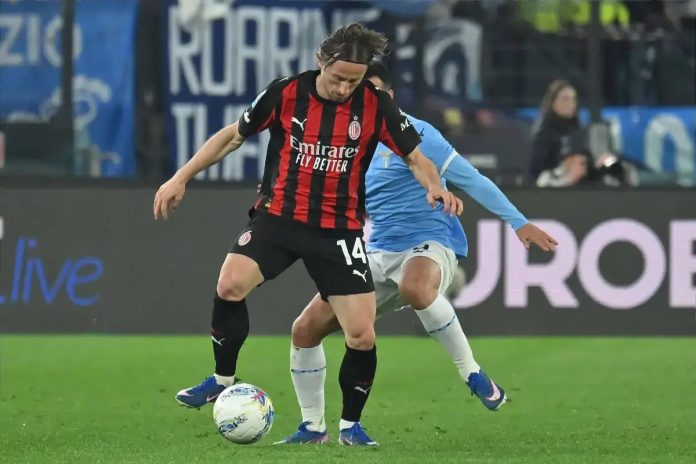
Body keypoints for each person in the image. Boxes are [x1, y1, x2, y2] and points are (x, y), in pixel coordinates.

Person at [153, 23, 463, 447]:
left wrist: (433, 185)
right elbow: (232, 137)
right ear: (321, 60)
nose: (344, 89)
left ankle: (350, 427)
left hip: (338, 230)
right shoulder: (286, 93)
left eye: (354, 81)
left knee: (361, 334)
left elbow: (415, 157)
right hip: (279, 219)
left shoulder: (375, 106)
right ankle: (222, 379)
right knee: (230, 285)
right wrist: (181, 177)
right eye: (338, 78)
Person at [276, 61, 558, 445]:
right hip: (377, 251)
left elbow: (472, 179)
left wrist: (519, 222)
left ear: (389, 97)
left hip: (431, 240)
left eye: (372, 92)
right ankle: (313, 427)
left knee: (415, 286)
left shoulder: (419, 134)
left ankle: (472, 372)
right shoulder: (342, 141)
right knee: (305, 329)